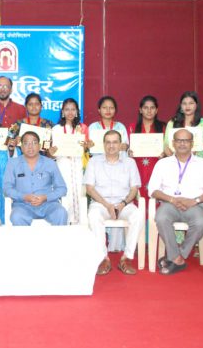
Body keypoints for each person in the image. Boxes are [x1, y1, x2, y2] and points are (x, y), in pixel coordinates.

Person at [149, 128, 203, 275]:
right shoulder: (162, 163)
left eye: (186, 140)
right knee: (161, 217)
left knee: (200, 223)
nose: (182, 144)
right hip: (169, 204)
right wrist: (172, 199)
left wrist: (195, 201)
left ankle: (177, 255)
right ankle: (177, 258)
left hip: (194, 205)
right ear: (173, 143)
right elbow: (152, 190)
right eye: (179, 140)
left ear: (192, 143)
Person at [84, 130, 144, 276]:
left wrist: (122, 204)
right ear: (103, 144)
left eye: (115, 142)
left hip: (124, 204)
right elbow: (90, 188)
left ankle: (126, 258)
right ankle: (103, 258)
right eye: (108, 142)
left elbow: (134, 189)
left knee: (138, 215)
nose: (111, 146)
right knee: (93, 216)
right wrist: (107, 205)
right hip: (101, 203)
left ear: (120, 144)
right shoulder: (94, 162)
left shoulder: (130, 163)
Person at [88, 96, 129, 252]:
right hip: (99, 170)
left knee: (117, 197)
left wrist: (125, 147)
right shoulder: (92, 127)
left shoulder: (120, 127)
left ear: (115, 110)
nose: (108, 110)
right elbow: (88, 151)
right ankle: (99, 246)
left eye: (111, 107)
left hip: (116, 170)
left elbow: (125, 150)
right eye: (104, 107)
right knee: (99, 204)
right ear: (99, 110)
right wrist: (88, 146)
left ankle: (116, 245)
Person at [3, 131, 67, 226]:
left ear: (39, 146)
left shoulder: (50, 163)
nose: (30, 146)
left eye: (34, 143)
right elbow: (7, 189)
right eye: (26, 143)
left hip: (48, 204)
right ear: (21, 147)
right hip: (23, 205)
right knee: (16, 216)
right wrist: (24, 196)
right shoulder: (13, 164)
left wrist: (45, 197)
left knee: (61, 213)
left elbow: (62, 189)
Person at [50, 98, 90, 224]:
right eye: (67, 109)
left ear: (77, 111)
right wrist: (52, 151)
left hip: (78, 165)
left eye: (73, 109)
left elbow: (86, 151)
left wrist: (87, 146)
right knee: (64, 194)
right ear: (62, 112)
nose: (70, 112)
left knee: (78, 194)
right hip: (62, 165)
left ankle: (78, 225)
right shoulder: (56, 129)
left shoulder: (83, 128)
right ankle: (63, 224)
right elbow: (52, 153)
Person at [127, 95, 166, 199]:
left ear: (156, 110)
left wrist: (165, 154)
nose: (149, 111)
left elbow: (168, 148)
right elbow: (128, 147)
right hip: (138, 165)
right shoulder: (132, 127)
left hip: (157, 164)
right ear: (140, 110)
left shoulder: (163, 127)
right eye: (145, 108)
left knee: (155, 192)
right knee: (139, 196)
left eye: (152, 108)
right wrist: (129, 152)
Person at [164, 91, 203, 165]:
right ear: (181, 106)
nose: (187, 106)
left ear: (196, 105)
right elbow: (166, 145)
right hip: (176, 164)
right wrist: (167, 151)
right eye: (184, 103)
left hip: (199, 164)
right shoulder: (172, 123)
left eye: (191, 103)